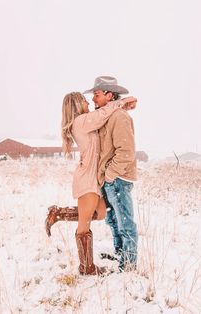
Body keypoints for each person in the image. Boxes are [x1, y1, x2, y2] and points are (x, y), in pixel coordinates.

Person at [45, 91, 137, 275]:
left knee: (100, 213)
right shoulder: (81, 121)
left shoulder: (86, 120)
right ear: (76, 105)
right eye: (84, 100)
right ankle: (87, 267)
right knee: (84, 224)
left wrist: (120, 107)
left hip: (93, 177)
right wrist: (123, 102)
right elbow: (103, 113)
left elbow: (105, 117)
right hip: (87, 177)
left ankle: (59, 213)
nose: (88, 101)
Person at [84, 76, 138, 272]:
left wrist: (110, 175)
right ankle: (120, 255)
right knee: (114, 220)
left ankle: (129, 266)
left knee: (125, 222)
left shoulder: (119, 117)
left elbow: (126, 151)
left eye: (96, 95)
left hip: (118, 179)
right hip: (109, 180)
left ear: (109, 95)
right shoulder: (107, 115)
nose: (93, 99)